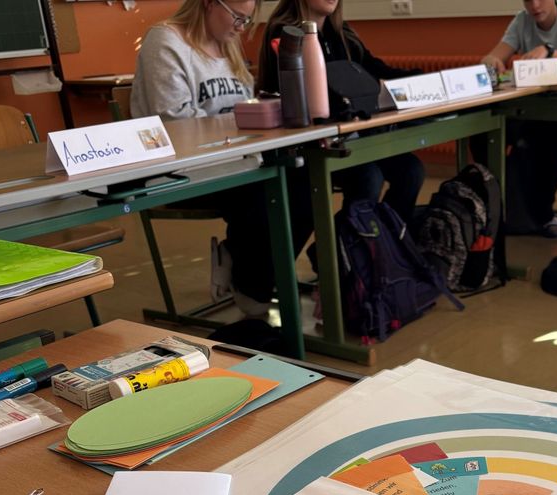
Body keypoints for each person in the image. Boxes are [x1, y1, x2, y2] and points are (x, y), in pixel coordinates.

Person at [131, 0, 278, 317]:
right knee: (265, 188)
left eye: (247, 21)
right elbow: (176, 122)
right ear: (209, 3)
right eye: (237, 17)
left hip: (234, 160)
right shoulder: (166, 40)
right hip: (179, 168)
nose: (241, 28)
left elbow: (248, 109)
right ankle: (253, 290)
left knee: (300, 177)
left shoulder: (229, 44)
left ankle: (249, 270)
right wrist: (242, 129)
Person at [259, 0, 425, 259]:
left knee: (411, 171)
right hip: (311, 144)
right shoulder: (285, 33)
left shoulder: (342, 33)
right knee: (369, 177)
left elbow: (376, 70)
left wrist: (423, 81)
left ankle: (385, 258)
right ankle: (340, 262)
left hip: (352, 138)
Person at [480, 0, 557, 237]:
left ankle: (542, 214)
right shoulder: (521, 20)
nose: (535, 5)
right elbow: (493, 56)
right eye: (528, 0)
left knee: (549, 134)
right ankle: (497, 207)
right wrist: (492, 62)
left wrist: (549, 52)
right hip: (531, 108)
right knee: (483, 133)